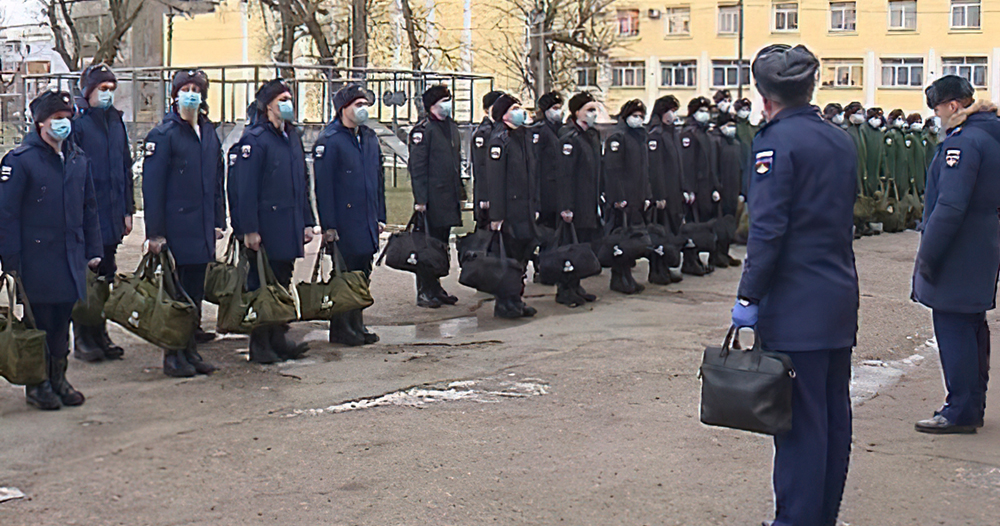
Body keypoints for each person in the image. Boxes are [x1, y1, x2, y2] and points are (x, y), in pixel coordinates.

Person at [732, 44, 858, 526]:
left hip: (795, 303)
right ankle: (821, 514)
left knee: (799, 424)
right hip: (837, 296)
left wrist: (749, 295)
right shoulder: (838, 139)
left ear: (765, 98)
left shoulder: (775, 143)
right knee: (831, 415)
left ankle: (797, 521)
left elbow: (768, 229)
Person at [0, 90, 102, 409]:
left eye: (67, 119)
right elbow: (6, 214)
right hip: (36, 259)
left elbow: (89, 208)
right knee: (39, 323)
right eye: (57, 119)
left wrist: (94, 248)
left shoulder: (77, 158)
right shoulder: (21, 162)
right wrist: (11, 261)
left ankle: (59, 377)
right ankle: (38, 383)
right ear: (40, 121)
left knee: (62, 322)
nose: (64, 125)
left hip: (70, 256)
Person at [912, 75, 1000, 434]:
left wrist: (928, 256)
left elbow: (949, 206)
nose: (937, 118)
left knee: (954, 329)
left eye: (937, 110)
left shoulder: (964, 143)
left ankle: (960, 409)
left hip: (959, 250)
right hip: (981, 247)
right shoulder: (990, 133)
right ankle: (972, 403)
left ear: (952, 106)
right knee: (972, 326)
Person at [142, 70, 224, 377]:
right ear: (175, 95)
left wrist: (218, 219)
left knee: (194, 293)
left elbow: (216, 181)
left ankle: (190, 350)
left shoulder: (208, 132)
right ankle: (174, 355)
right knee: (176, 296)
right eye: (185, 89)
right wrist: (155, 233)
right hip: (176, 229)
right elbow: (152, 188)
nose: (191, 94)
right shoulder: (164, 135)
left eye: (196, 89)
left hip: (202, 228)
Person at [238, 79, 314, 363]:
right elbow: (245, 188)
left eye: (289, 98)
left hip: (289, 222)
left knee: (282, 282)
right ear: (267, 105)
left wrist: (307, 220)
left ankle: (279, 337)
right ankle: (260, 344)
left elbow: (301, 182)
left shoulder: (291, 136)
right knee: (262, 287)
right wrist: (249, 229)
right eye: (281, 99)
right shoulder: (255, 139)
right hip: (266, 226)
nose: (287, 103)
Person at [70, 64, 135, 362]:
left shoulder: (115, 122)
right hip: (87, 215)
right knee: (87, 277)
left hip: (111, 213)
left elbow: (124, 166)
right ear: (89, 91)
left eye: (111, 89)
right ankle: (83, 335)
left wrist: (127, 210)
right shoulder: (78, 125)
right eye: (102, 89)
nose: (107, 95)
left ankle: (101, 331)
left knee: (107, 273)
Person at [314, 84, 386, 346]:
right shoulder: (330, 139)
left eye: (365, 104)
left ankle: (357, 323)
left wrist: (380, 215)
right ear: (343, 108)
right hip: (344, 223)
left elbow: (378, 178)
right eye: (358, 105)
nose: (363, 109)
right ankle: (342, 327)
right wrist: (329, 225)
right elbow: (324, 186)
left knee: (362, 273)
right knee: (345, 275)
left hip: (367, 218)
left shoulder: (368, 137)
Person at [408, 85, 464, 309]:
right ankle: (424, 290)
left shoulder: (450, 127)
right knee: (427, 246)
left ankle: (436, 287)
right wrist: (420, 199)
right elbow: (418, 167)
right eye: (443, 100)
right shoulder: (424, 130)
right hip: (430, 199)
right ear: (431, 105)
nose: (447, 104)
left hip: (447, 197)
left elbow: (454, 162)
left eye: (449, 99)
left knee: (440, 245)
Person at [486, 94, 538, 319]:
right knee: (508, 259)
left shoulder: (523, 137)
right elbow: (495, 181)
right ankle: (505, 303)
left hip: (524, 208)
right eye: (515, 108)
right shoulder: (499, 139)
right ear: (503, 114)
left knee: (521, 257)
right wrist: (496, 215)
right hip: (509, 210)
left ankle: (517, 298)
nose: (520, 111)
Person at [553, 91, 602, 306]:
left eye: (594, 109)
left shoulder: (591, 135)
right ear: (576, 112)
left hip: (588, 200)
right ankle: (565, 289)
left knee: (582, 245)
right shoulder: (569, 137)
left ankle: (576, 285)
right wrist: (565, 206)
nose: (593, 114)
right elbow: (564, 175)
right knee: (569, 247)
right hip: (574, 202)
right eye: (589, 110)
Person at [603, 99, 651, 295]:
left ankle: (626, 274)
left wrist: (646, 194)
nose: (638, 119)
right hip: (622, 198)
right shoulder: (618, 137)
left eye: (641, 116)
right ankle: (618, 276)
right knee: (620, 239)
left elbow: (644, 169)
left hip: (636, 196)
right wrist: (618, 197)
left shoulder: (639, 137)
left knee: (631, 239)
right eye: (635, 116)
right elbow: (613, 170)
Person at [646, 95, 685, 284]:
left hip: (675, 192)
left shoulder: (673, 133)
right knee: (659, 232)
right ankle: (656, 270)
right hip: (663, 194)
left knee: (671, 232)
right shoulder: (656, 134)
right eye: (671, 110)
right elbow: (655, 168)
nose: (674, 114)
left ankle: (666, 267)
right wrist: (659, 195)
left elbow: (679, 165)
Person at [470, 91, 504, 229]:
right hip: (488, 197)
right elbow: (481, 167)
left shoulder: (503, 130)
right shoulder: (484, 133)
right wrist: (484, 197)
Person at [532, 91, 564, 231]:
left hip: (558, 189)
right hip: (545, 190)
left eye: (560, 108)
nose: (558, 112)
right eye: (554, 108)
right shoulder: (540, 130)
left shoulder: (561, 129)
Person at [884, 108, 910, 198]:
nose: (901, 122)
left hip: (903, 172)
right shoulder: (891, 134)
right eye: (899, 119)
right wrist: (891, 176)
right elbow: (890, 157)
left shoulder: (901, 134)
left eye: (903, 119)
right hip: (896, 174)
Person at [861, 107, 886, 199]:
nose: (878, 120)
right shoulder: (863, 130)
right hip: (867, 170)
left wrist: (883, 172)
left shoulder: (879, 133)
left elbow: (882, 153)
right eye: (875, 117)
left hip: (876, 172)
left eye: (879, 118)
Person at [905, 113, 927, 197]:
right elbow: (909, 158)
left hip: (921, 175)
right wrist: (912, 176)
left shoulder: (921, 138)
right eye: (916, 121)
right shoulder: (910, 137)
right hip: (915, 176)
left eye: (920, 121)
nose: (919, 124)